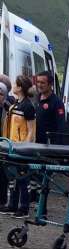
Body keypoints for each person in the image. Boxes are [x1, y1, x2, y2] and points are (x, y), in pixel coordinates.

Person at [1, 76, 36, 218]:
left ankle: (24, 207)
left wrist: (26, 146)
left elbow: (32, 129)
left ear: (20, 87)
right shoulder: (16, 104)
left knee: (22, 178)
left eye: (15, 84)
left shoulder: (28, 106)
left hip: (21, 147)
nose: (13, 86)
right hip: (11, 145)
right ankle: (13, 205)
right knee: (13, 177)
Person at [35, 70, 65, 145]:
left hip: (48, 146)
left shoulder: (57, 102)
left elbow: (60, 127)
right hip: (35, 144)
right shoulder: (36, 98)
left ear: (50, 84)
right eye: (38, 82)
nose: (39, 85)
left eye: (42, 83)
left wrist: (55, 148)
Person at [0, 81, 11, 213]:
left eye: (1, 94)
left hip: (4, 143)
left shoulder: (8, 108)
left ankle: (2, 201)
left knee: (3, 174)